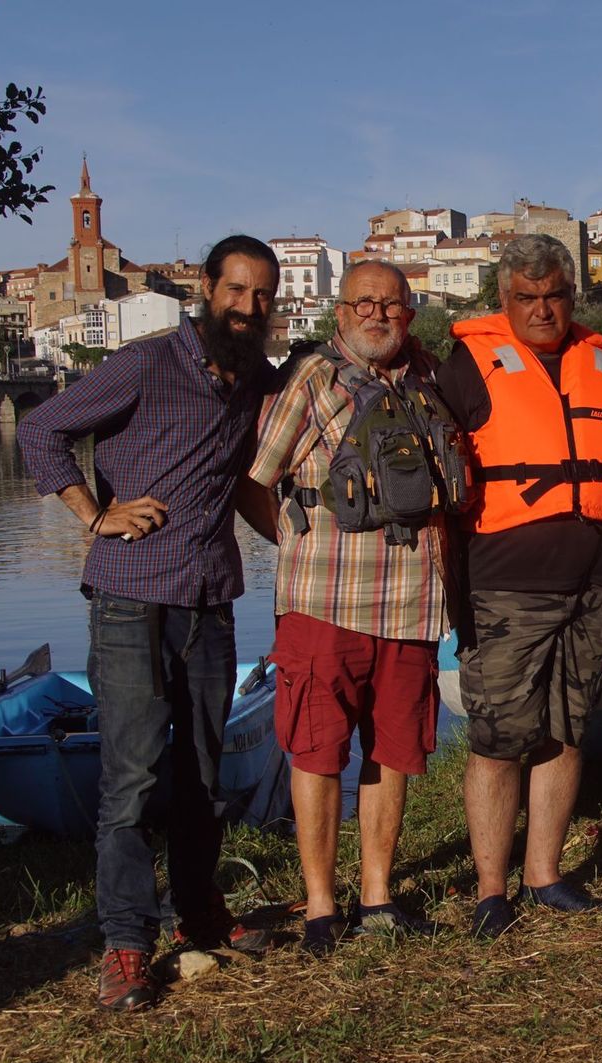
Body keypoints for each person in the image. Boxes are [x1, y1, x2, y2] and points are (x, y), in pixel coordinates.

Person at [17, 235, 280, 1012]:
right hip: (131, 593)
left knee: (201, 768)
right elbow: (41, 430)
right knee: (131, 777)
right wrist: (93, 514)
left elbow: (243, 480)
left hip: (208, 595)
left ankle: (197, 913)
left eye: (262, 296)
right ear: (206, 287)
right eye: (237, 291)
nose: (249, 307)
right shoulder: (143, 363)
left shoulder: (255, 378)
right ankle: (127, 943)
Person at [236, 261, 456, 955]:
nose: (377, 314)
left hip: (414, 606)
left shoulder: (427, 379)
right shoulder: (312, 379)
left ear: (410, 313)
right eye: (364, 302)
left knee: (394, 751)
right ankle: (323, 907)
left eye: (391, 304)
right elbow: (255, 480)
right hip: (324, 604)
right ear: (340, 313)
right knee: (318, 752)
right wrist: (293, 544)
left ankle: (379, 897)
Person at [434, 234, 602, 939]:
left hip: (592, 578)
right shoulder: (466, 368)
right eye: (528, 298)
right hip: (505, 585)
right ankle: (492, 889)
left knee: (568, 730)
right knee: (499, 737)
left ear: (572, 293)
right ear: (503, 300)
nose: (544, 310)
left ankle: (545, 873)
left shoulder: (601, 360)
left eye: (555, 295)